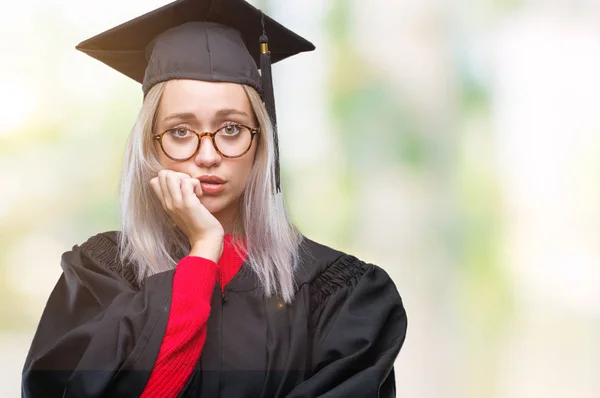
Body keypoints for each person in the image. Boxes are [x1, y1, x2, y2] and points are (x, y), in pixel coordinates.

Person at [21, 0, 408, 396]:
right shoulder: (101, 279)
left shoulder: (339, 296)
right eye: (180, 131)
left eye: (231, 129)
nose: (208, 156)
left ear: (261, 142)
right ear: (149, 149)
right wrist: (203, 254)